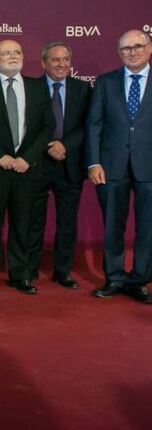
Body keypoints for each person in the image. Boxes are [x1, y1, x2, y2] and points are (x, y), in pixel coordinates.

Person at [0, 39, 54, 294]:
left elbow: (47, 126)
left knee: (22, 224)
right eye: (6, 53)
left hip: (26, 168)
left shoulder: (38, 87)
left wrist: (28, 158)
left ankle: (20, 274)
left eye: (17, 52)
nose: (13, 56)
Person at [86, 29, 152, 304]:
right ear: (119, 53)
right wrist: (94, 161)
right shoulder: (105, 82)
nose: (133, 52)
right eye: (126, 48)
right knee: (113, 225)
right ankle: (114, 277)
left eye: (138, 46)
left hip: (149, 166)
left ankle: (139, 280)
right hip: (111, 166)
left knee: (148, 228)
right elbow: (94, 125)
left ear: (149, 48)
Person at [27, 42, 92, 290]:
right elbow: (27, 126)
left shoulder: (83, 88)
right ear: (44, 62)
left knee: (67, 222)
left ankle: (63, 271)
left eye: (65, 59)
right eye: (55, 60)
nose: (61, 64)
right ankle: (30, 268)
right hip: (38, 163)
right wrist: (48, 145)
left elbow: (89, 125)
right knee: (34, 220)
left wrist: (64, 145)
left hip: (70, 164)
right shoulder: (31, 88)